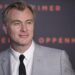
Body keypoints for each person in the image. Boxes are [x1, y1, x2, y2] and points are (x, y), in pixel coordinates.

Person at [0, 1, 74, 75]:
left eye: (29, 22)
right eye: (17, 23)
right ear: (5, 28)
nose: (24, 29)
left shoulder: (59, 59)